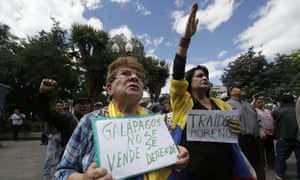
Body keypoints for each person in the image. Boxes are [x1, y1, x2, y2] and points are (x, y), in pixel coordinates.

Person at [54, 56, 189, 180]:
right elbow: (62, 172)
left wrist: (179, 156)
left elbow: (169, 157)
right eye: (126, 73)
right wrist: (84, 178)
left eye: (140, 77)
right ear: (109, 88)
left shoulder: (156, 121)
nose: (135, 78)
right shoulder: (90, 121)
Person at [170, 3, 254, 180]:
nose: (204, 78)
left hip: (223, 167)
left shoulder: (222, 105)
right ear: (188, 83)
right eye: (199, 76)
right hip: (192, 171)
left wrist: (238, 130)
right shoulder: (182, 101)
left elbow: (233, 134)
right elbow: (177, 72)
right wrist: (185, 38)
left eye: (206, 76)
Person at [35, 80, 92, 153]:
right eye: (81, 103)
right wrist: (42, 94)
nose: (84, 106)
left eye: (87, 103)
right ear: (74, 106)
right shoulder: (67, 119)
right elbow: (45, 113)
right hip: (71, 159)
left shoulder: (96, 120)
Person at [227, 82, 266, 180]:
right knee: (244, 170)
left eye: (243, 87)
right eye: (239, 87)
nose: (242, 88)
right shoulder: (226, 105)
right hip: (240, 141)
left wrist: (261, 130)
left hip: (255, 141)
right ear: (231, 91)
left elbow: (258, 120)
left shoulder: (250, 105)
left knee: (258, 168)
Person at [272, 94, 300, 179]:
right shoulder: (297, 109)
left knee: (280, 157)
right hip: (298, 138)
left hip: (283, 137)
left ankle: (280, 174)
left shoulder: (277, 111)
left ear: (281, 102)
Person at [252, 95, 275, 169]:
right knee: (261, 150)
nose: (261, 104)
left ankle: (271, 164)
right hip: (261, 133)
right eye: (258, 102)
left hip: (270, 133)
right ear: (255, 104)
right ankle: (262, 165)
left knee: (270, 149)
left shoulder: (267, 111)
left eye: (262, 102)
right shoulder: (254, 111)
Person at [43, 101, 64, 180]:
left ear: (63, 107)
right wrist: (48, 135)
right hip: (53, 137)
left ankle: (56, 174)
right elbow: (47, 126)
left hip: (62, 138)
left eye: (61, 105)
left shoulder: (65, 115)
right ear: (56, 107)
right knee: (49, 156)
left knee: (59, 156)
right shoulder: (52, 115)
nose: (59, 107)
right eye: (58, 105)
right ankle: (46, 175)